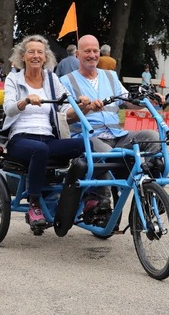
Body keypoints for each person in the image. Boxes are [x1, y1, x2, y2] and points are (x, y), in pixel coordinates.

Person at [59, 35, 163, 215]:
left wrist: (149, 100)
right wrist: (87, 108)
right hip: (90, 137)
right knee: (105, 153)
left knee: (153, 137)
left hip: (117, 135)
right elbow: (66, 116)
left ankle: (151, 191)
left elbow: (128, 101)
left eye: (95, 50)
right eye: (87, 51)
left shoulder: (111, 76)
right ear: (77, 54)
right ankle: (103, 200)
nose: (92, 55)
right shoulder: (66, 81)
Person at [1, 34, 90, 229]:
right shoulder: (13, 78)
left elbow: (65, 106)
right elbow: (8, 108)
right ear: (22, 56)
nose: (35, 56)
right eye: (31, 52)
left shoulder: (51, 78)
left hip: (48, 139)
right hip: (20, 139)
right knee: (39, 150)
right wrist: (24, 101)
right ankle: (34, 205)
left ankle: (79, 194)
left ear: (45, 57)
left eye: (40, 52)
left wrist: (81, 104)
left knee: (87, 145)